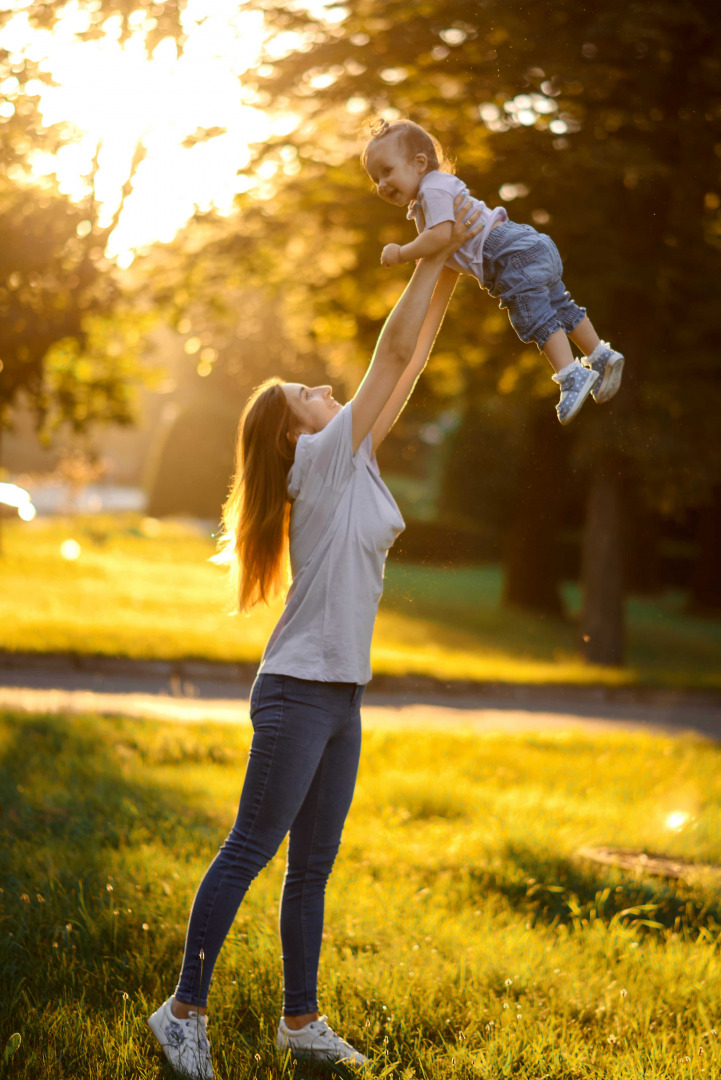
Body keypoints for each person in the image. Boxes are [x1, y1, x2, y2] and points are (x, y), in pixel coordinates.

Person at [147, 195, 483, 1079]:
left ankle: (301, 1024)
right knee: (252, 849)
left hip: (340, 694)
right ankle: (182, 1011)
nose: (324, 390)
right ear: (294, 433)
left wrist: (450, 260)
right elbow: (390, 352)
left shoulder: (352, 457)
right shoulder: (318, 462)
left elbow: (408, 363)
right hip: (298, 692)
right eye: (306, 394)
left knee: (312, 869)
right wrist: (432, 250)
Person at [362, 118, 625, 426]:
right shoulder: (437, 189)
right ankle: (600, 355)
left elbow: (441, 236)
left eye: (387, 171)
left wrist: (402, 253)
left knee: (534, 315)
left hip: (506, 255)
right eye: (374, 178)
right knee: (559, 305)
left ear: (419, 163)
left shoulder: (431, 191)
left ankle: (571, 374)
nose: (381, 184)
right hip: (525, 244)